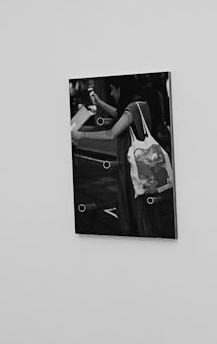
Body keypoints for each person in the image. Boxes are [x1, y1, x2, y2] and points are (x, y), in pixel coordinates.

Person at [71, 76, 172, 236]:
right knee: (146, 208)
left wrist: (81, 135)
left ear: (122, 89)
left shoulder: (133, 108)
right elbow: (119, 113)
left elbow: (111, 133)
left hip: (136, 169)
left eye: (113, 89)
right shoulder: (141, 104)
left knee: (137, 209)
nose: (111, 93)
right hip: (145, 167)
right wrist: (99, 102)